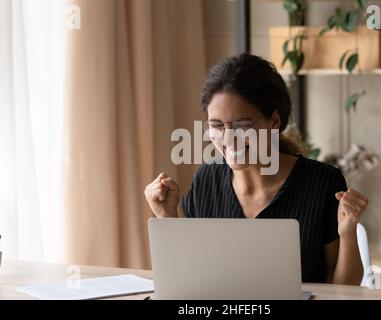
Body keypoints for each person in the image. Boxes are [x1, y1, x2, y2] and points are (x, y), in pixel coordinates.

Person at [145, 53, 368, 285]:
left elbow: (343, 289)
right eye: (217, 126)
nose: (228, 139)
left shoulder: (323, 182)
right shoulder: (207, 179)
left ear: (274, 121)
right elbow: (191, 276)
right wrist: (167, 216)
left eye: (242, 125)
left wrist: (348, 233)